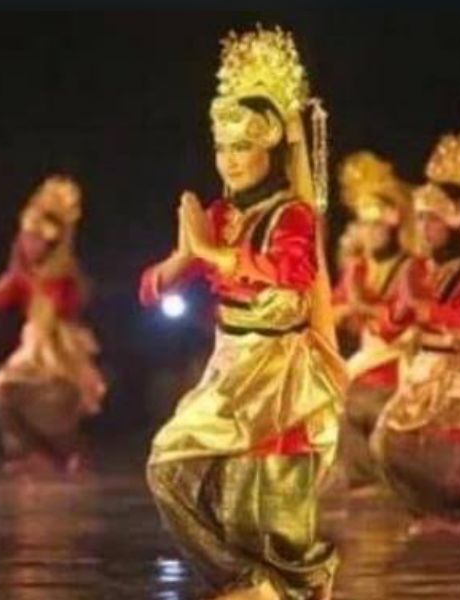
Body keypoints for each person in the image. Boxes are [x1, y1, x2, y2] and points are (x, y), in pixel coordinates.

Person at [137, 25, 343, 600]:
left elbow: (293, 273)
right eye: (222, 148)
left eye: (242, 147)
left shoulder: (292, 214)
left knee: (265, 506)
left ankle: (285, 584)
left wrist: (210, 253)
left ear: (270, 147)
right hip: (230, 365)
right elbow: (153, 286)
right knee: (169, 470)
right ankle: (247, 583)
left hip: (279, 370)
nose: (229, 161)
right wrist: (175, 264)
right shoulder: (221, 215)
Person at [371, 134, 460, 536]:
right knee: (387, 443)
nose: (423, 227)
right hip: (424, 368)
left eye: (431, 218)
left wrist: (423, 309)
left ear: (455, 218)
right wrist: (396, 312)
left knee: (457, 455)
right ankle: (431, 510)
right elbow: (389, 325)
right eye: (419, 218)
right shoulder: (414, 268)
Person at [0, 175, 106, 475]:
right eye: (25, 239)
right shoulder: (23, 273)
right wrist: (14, 272)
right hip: (31, 345)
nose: (29, 246)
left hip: (59, 345)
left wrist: (29, 280)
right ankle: (26, 452)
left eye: (36, 240)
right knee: (2, 388)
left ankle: (71, 450)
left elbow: (65, 304)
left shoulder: (65, 273)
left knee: (53, 397)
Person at [330, 151, 416, 493]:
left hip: (401, 361)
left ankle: (387, 477)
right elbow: (335, 311)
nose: (369, 231)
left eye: (376, 223)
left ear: (394, 219)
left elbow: (398, 321)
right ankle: (361, 478)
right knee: (330, 401)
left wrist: (361, 307)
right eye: (364, 223)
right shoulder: (359, 267)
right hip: (368, 362)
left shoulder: (411, 266)